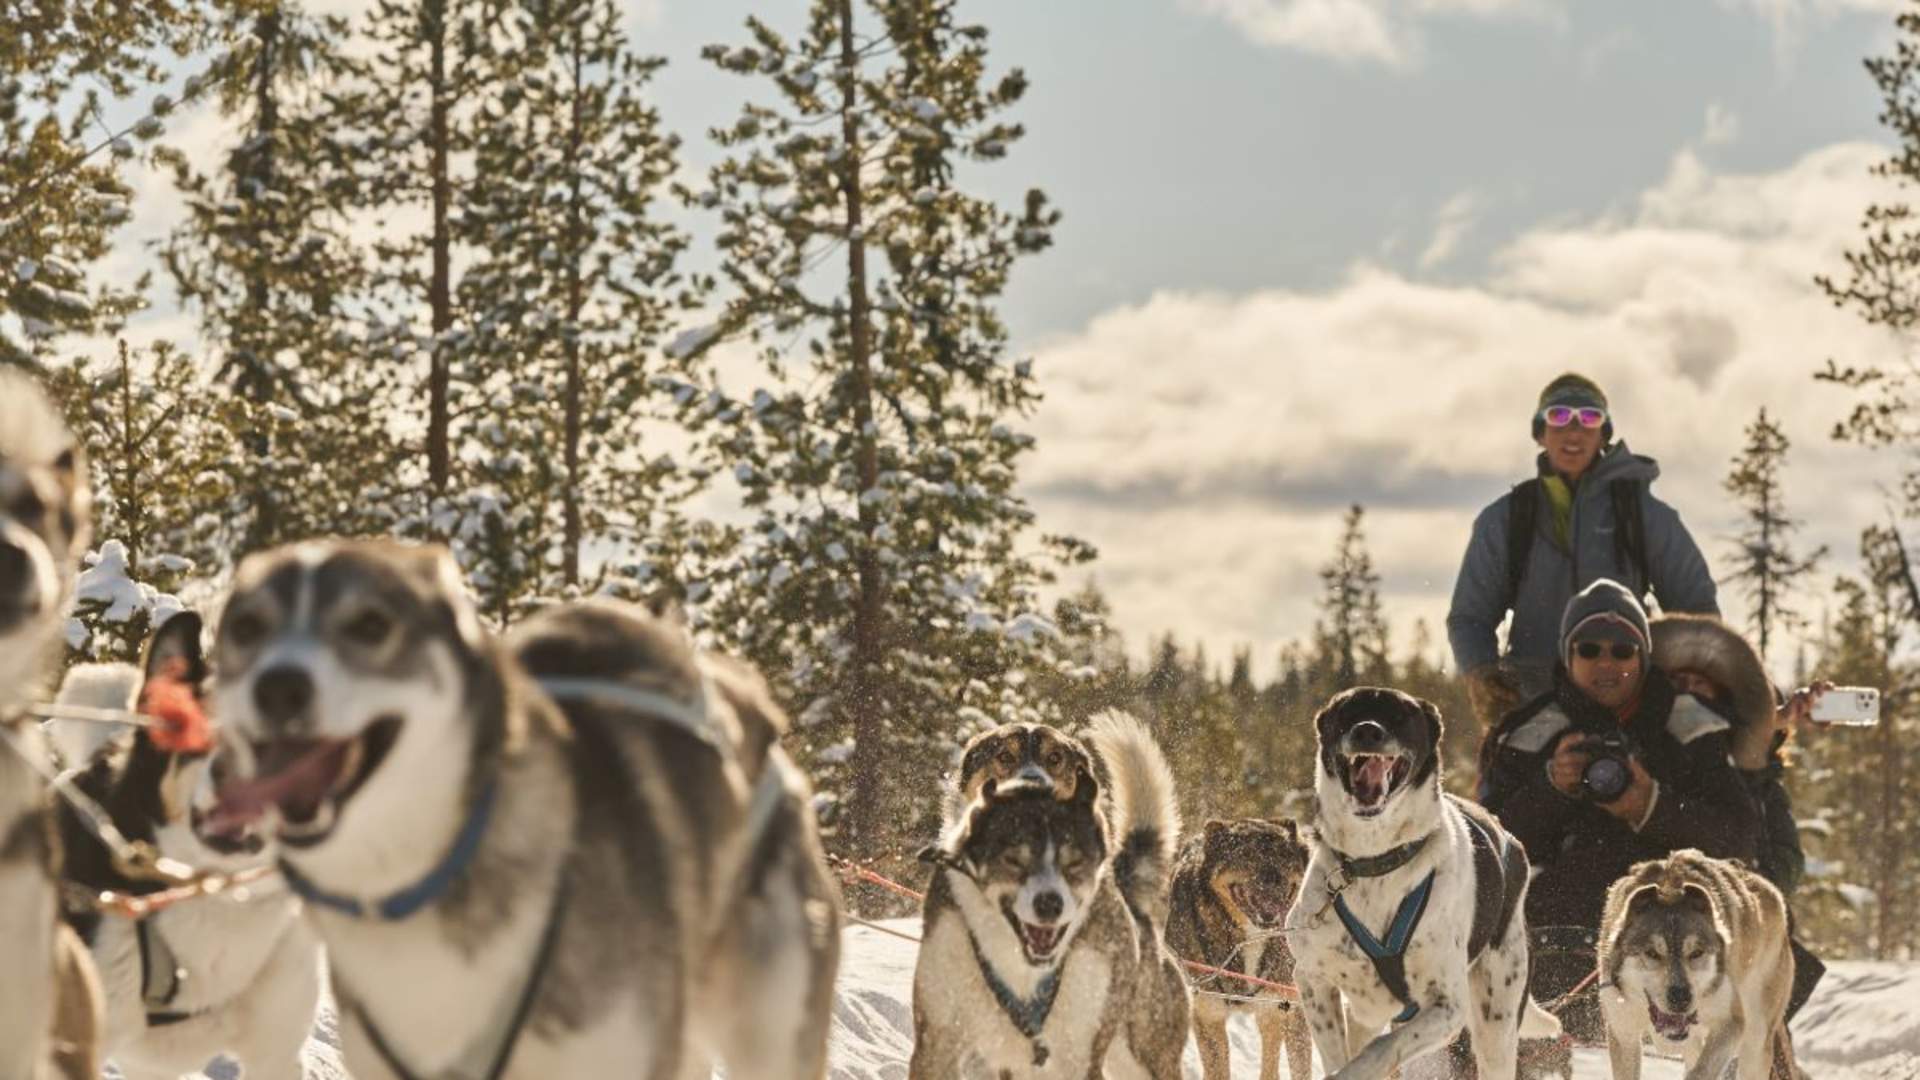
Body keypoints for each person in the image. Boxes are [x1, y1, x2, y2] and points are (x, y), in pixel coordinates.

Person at [1477, 580, 1760, 1040]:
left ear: (1643, 658)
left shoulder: (1690, 725)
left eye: (1623, 650)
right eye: (1589, 649)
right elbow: (1484, 847)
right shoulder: (1529, 732)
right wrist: (1551, 787)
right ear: (1568, 657)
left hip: (1674, 913)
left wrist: (1650, 805)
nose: (1606, 664)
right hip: (1554, 921)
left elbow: (1740, 837)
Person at [1448, 373, 1719, 727]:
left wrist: (1688, 682)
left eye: (1589, 418)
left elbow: (1697, 611)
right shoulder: (1507, 519)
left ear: (1604, 434)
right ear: (1540, 433)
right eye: (1558, 416)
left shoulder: (1643, 515)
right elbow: (1470, 617)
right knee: (1504, 785)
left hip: (1627, 708)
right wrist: (1482, 674)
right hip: (1532, 707)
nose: (1573, 431)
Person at [1653, 612, 1828, 1022]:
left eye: (1699, 686)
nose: (1687, 697)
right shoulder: (1650, 756)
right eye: (1676, 685)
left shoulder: (1757, 779)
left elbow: (1784, 865)